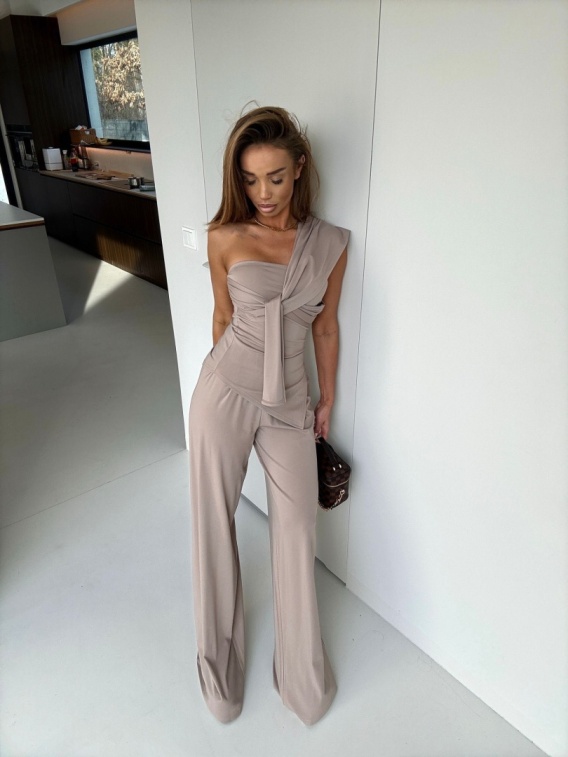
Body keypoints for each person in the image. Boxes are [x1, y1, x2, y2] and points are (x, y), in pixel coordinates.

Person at [188, 105, 349, 726]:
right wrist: (224, 389)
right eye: (251, 179)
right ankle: (218, 670)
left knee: (297, 528)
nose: (263, 193)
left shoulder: (329, 244)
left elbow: (325, 327)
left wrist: (325, 399)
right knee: (213, 523)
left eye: (276, 177)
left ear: (299, 169)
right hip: (224, 393)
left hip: (291, 401)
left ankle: (301, 677)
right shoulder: (224, 237)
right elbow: (222, 318)